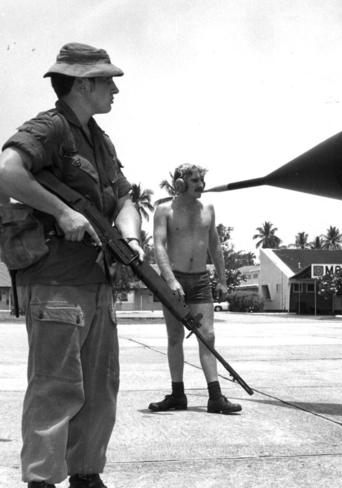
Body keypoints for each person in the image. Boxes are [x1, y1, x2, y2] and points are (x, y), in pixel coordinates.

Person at [0, 43, 144, 488]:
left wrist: (131, 235)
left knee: (101, 388)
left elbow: (125, 197)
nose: (115, 89)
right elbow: (7, 171)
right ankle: (42, 480)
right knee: (56, 386)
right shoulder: (51, 128)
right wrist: (61, 212)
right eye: (108, 80)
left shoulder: (98, 139)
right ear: (83, 83)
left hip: (95, 282)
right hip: (56, 280)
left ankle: (85, 474)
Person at [148, 163, 242, 414]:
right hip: (174, 280)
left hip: (200, 280)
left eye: (202, 180)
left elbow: (215, 245)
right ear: (180, 184)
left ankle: (215, 397)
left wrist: (222, 279)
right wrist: (170, 280)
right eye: (196, 181)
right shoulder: (163, 210)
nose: (202, 186)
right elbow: (159, 245)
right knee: (175, 337)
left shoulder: (208, 209)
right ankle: (177, 394)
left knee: (208, 336)